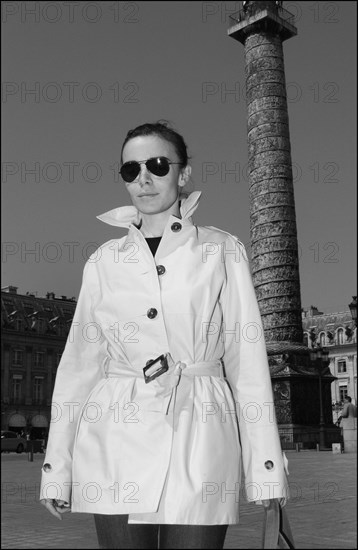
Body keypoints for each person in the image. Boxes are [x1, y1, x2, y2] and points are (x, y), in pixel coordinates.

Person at [40, 121, 289, 549]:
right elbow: (78, 370)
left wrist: (266, 466)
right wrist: (56, 469)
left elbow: (246, 362)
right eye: (130, 169)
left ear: (183, 173)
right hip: (115, 435)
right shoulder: (103, 261)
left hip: (201, 429)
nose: (144, 178)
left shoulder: (220, 250)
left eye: (157, 164)